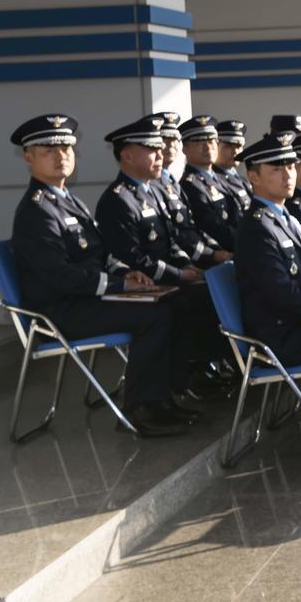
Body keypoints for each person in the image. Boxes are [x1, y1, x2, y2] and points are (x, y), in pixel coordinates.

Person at [9, 114, 190, 437]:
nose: (61, 155)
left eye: (66, 147)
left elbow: (100, 253)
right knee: (154, 316)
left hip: (86, 297)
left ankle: (161, 399)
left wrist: (127, 271)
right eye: (48, 149)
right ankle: (140, 408)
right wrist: (120, 285)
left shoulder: (68, 201)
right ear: (28, 157)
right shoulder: (36, 211)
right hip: (60, 310)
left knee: (172, 304)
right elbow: (60, 276)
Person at [97, 114, 230, 401]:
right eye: (152, 149)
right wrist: (179, 275)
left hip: (167, 277)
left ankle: (193, 375)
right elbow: (131, 258)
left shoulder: (150, 192)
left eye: (161, 148)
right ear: (128, 155)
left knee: (213, 294)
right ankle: (177, 383)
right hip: (146, 283)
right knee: (185, 305)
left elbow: (173, 242)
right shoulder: (118, 199)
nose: (161, 154)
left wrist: (188, 266)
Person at [233, 133, 301, 365]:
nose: (288, 175)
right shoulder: (256, 227)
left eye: (291, 166)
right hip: (279, 336)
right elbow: (281, 292)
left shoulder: (287, 218)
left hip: (300, 325)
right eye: (277, 169)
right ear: (253, 176)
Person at [153, 111, 229, 268]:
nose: (170, 145)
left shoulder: (172, 183)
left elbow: (193, 228)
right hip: (173, 269)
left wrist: (216, 251)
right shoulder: (181, 184)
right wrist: (211, 255)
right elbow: (174, 235)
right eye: (163, 140)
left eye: (174, 139)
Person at [180, 115, 240, 250]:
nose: (208, 148)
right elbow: (214, 228)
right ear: (185, 148)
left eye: (212, 141)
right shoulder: (190, 185)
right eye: (200, 142)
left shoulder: (221, 178)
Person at [214, 120, 253, 216]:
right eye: (228, 146)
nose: (235, 151)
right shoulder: (214, 181)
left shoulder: (242, 180)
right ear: (216, 146)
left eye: (239, 146)